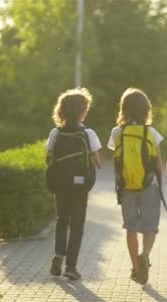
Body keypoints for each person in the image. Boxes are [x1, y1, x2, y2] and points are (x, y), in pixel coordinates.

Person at [107, 87, 164, 285]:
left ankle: (134, 267)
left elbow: (116, 160)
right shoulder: (151, 132)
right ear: (146, 110)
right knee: (150, 226)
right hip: (149, 185)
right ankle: (145, 254)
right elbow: (158, 164)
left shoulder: (117, 132)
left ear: (123, 109)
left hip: (126, 187)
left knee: (131, 227)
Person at [46, 87, 101, 280]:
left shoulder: (55, 133)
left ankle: (58, 256)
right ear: (82, 111)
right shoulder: (88, 134)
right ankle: (71, 266)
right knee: (77, 225)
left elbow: (49, 157)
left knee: (62, 220)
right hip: (80, 186)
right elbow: (97, 161)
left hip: (60, 184)